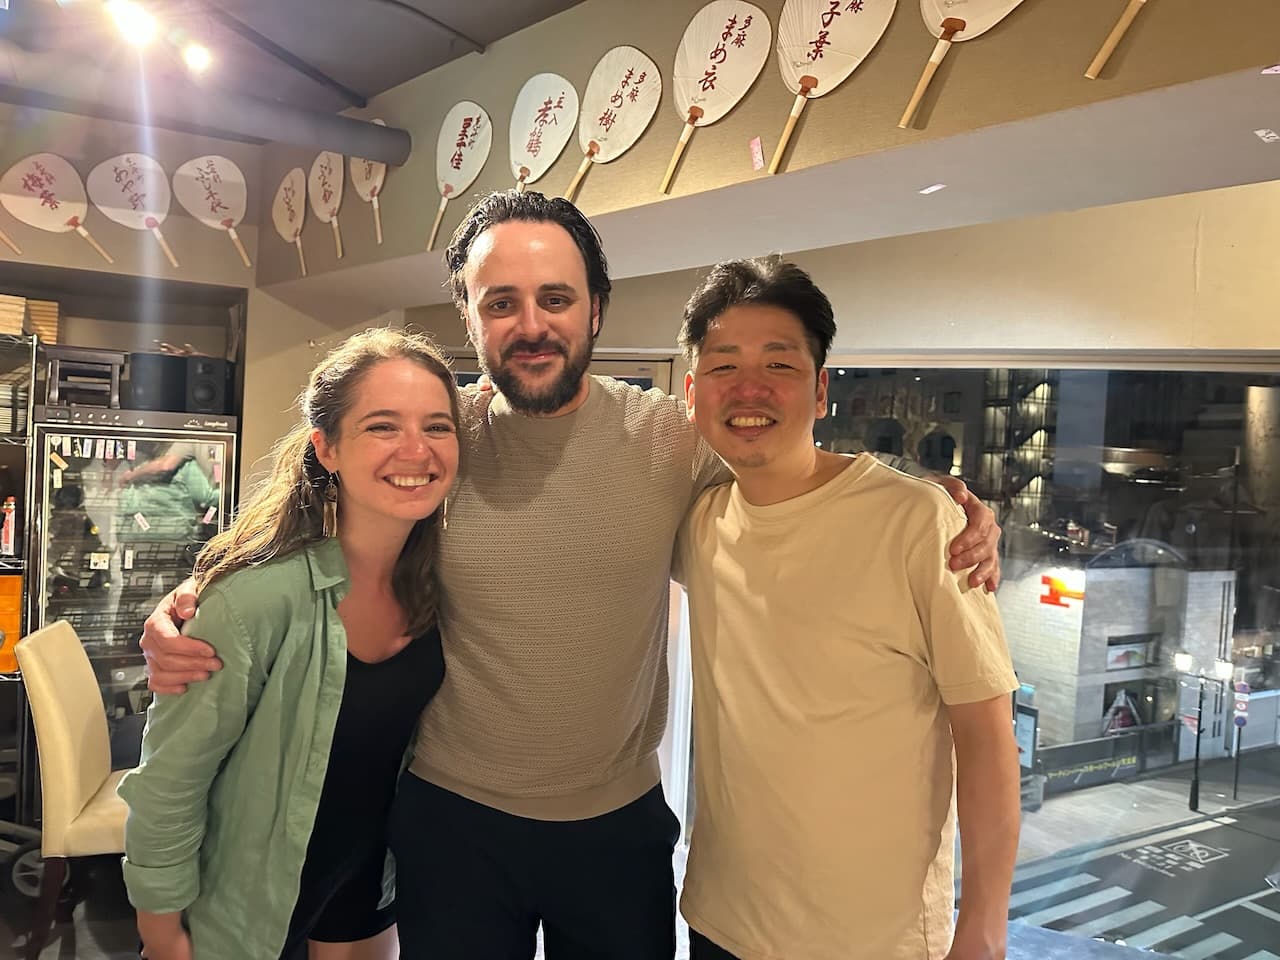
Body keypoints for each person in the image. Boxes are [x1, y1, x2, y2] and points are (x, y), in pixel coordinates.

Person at [139, 191, 1003, 959]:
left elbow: (788, 468)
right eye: (501, 302)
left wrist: (934, 496)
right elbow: (323, 530)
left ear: (595, 310)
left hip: (618, 828)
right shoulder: (438, 441)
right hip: (451, 821)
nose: (532, 323)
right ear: (469, 318)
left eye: (556, 298)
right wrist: (196, 599)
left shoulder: (673, 439)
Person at [674, 257, 1021, 960]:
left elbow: (985, 737)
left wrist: (983, 927)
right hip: (719, 922)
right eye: (723, 367)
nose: (749, 389)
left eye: (779, 365)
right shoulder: (699, 521)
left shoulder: (918, 522)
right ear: (691, 391)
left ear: (821, 388)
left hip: (871, 941)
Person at [118, 329, 460, 960]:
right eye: (382, 426)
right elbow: (170, 781)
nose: (417, 449)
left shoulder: (441, 585)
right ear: (325, 448)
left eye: (438, 426)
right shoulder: (254, 603)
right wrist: (160, 930)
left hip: (368, 890)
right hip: (248, 905)